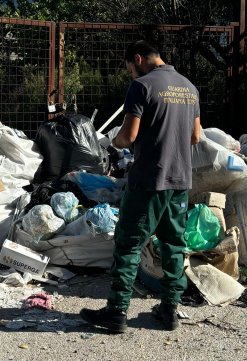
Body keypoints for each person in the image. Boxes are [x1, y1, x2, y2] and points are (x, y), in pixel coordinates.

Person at [80, 40, 201, 332]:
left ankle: (117, 311)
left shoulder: (143, 86)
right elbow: (196, 136)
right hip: (180, 180)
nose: (131, 74)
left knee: (129, 242)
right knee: (173, 244)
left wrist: (112, 142)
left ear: (138, 59)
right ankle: (170, 309)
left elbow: (129, 136)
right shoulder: (189, 87)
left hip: (149, 180)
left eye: (130, 68)